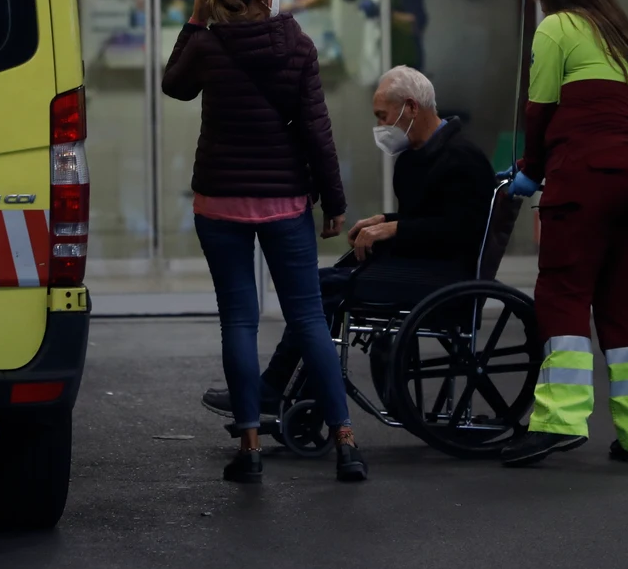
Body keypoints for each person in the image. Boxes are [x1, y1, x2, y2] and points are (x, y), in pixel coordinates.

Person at [162, 0, 366, 484]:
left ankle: (249, 446)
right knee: (307, 318)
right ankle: (346, 443)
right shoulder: (296, 44)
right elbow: (317, 131)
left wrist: (194, 17)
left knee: (239, 319)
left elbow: (173, 85)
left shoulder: (207, 44)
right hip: (284, 203)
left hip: (220, 202)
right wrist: (334, 201)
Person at [200, 65, 503, 413]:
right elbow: (431, 218)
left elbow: (460, 230)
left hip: (446, 278)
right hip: (423, 266)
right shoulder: (416, 158)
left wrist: (394, 228)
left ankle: (280, 390)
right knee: (321, 286)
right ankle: (301, 393)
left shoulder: (463, 159)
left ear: (411, 107)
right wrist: (384, 221)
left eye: (383, 116)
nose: (381, 126)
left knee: (323, 290)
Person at [502, 0, 628, 468]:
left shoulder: (559, 26)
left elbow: (539, 107)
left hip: (589, 176)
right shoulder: (625, 40)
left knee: (564, 290)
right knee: (624, 302)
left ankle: (559, 420)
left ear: (553, 0)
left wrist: (531, 169)